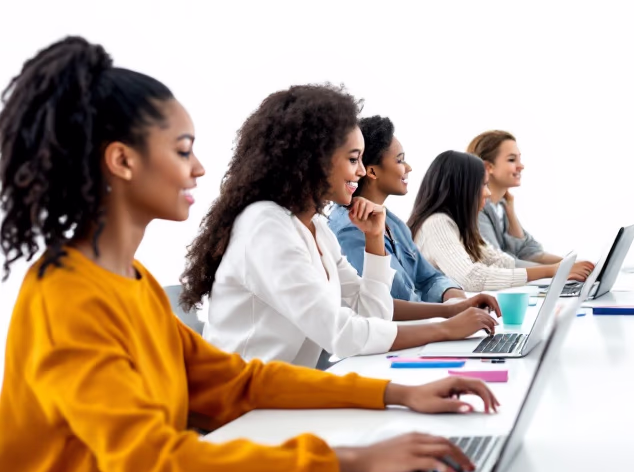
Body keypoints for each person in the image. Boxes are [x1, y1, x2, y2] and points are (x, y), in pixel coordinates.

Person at [0, 38, 499, 472]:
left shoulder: (133, 283)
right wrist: (351, 460)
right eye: (182, 150)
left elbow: (240, 383)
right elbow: (155, 467)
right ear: (123, 161)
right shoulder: (67, 296)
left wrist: (397, 395)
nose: (199, 168)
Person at [180, 85, 500, 368]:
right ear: (313, 160)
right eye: (353, 159)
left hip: (283, 394)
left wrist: (374, 240)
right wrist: (445, 328)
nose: (361, 171)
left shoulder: (317, 228)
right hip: (243, 404)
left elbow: (371, 313)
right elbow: (342, 334)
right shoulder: (265, 226)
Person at [329, 115, 465, 303]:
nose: (409, 167)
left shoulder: (393, 222)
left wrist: (458, 300)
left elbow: (430, 278)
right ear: (372, 171)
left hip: (433, 317)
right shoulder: (349, 230)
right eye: (400, 161)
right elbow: (389, 303)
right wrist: (453, 310)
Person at [412, 151, 582, 292]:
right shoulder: (437, 223)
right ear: (462, 188)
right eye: (483, 185)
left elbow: (501, 262)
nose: (488, 193)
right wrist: (552, 270)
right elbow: (471, 278)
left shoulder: (458, 226)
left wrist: (561, 268)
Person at [468, 130, 592, 280]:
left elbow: (528, 251)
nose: (521, 166)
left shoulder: (501, 206)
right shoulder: (476, 210)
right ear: (488, 167)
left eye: (519, 159)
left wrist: (575, 265)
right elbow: (496, 264)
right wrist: (559, 269)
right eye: (512, 160)